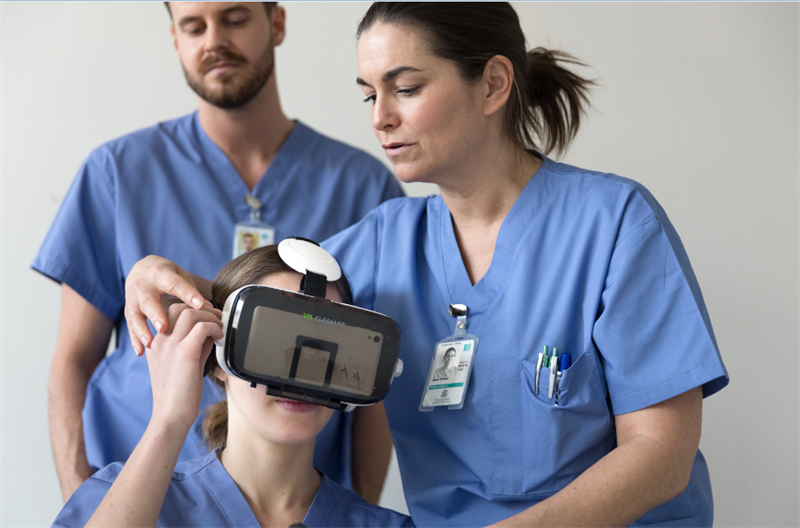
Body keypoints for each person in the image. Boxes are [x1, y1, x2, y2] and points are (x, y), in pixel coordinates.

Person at [123, 3, 729, 527]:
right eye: (368, 93)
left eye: (405, 88)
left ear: (493, 84)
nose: (378, 117)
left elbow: (662, 454)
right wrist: (160, 277)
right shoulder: (386, 241)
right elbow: (265, 307)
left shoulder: (614, 222)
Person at [32, 1, 402, 504]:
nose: (213, 41)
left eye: (233, 18)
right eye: (193, 26)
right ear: (176, 39)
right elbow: (73, 359)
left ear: (276, 23)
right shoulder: (117, 173)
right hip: (140, 494)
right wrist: (83, 497)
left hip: (296, 501)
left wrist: (354, 509)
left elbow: (373, 373)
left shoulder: (363, 188)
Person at [52, 245, 413, 528]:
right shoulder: (117, 498)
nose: (301, 373)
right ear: (219, 356)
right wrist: (168, 419)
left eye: (325, 350)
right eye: (274, 342)